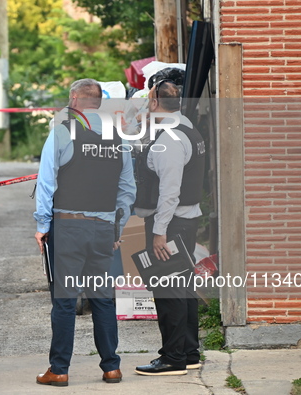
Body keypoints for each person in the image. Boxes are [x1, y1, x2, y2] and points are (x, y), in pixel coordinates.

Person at [33, 78, 136, 386]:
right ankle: (111, 367)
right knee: (104, 299)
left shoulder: (63, 132)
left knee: (65, 301)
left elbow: (46, 183)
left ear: (74, 99)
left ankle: (59, 369)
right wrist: (116, 226)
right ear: (99, 103)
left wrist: (42, 226)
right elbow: (127, 190)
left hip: (69, 227)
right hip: (103, 228)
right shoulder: (119, 139)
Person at [133, 80, 206, 376]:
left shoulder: (169, 140)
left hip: (171, 223)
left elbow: (169, 192)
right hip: (184, 221)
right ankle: (188, 352)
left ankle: (173, 357)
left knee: (169, 291)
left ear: (153, 102)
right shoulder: (187, 127)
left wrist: (158, 232)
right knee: (183, 287)